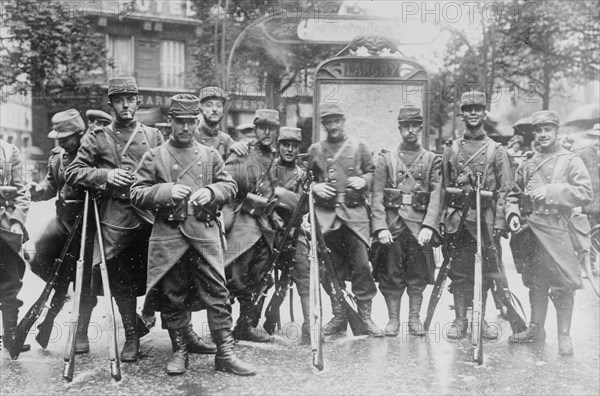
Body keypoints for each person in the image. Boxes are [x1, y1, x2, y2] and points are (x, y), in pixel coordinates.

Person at [130, 94, 256, 376]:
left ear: (196, 121)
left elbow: (229, 187)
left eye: (190, 122)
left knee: (218, 293)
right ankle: (180, 350)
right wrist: (165, 191)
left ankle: (225, 352)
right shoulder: (155, 155)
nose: (186, 128)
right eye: (180, 122)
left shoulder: (210, 155)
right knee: (172, 296)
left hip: (204, 233)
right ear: (170, 122)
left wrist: (211, 192)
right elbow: (136, 193)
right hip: (170, 235)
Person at [66, 77, 163, 362]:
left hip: (148, 215)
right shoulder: (97, 137)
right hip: (114, 220)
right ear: (111, 104)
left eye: (130, 99)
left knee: (166, 271)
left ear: (138, 102)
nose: (125, 105)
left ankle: (177, 338)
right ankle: (131, 338)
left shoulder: (154, 136)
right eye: (119, 100)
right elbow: (74, 172)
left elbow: (166, 170)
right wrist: (105, 176)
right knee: (121, 279)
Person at [506, 110, 592, 356]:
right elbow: (514, 193)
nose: (543, 134)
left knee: (563, 284)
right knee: (536, 282)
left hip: (558, 231)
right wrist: (512, 214)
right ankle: (536, 329)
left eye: (548, 130)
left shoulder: (571, 160)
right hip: (532, 231)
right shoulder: (529, 163)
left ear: (557, 132)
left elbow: (585, 193)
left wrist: (552, 191)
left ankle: (564, 335)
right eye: (539, 130)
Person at [440, 90, 513, 340]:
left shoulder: (497, 150)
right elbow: (443, 187)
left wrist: (500, 223)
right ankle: (460, 320)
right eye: (468, 108)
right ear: (461, 114)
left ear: (484, 113)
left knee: (486, 271)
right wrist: (442, 220)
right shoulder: (451, 150)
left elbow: (505, 189)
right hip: (458, 220)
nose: (473, 113)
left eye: (478, 109)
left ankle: (479, 320)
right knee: (459, 272)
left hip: (486, 220)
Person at [307, 103, 383, 337]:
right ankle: (339, 316)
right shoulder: (316, 150)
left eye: (336, 121)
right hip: (327, 216)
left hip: (355, 215)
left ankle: (365, 317)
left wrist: (365, 181)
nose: (333, 126)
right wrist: (315, 187)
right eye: (328, 122)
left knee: (361, 266)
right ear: (324, 124)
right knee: (331, 269)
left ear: (343, 121)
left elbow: (374, 173)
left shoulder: (359, 146)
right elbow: (305, 180)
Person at [28, 109, 96, 354]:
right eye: (59, 138)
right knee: (39, 258)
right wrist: (38, 190)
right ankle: (61, 292)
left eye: (66, 138)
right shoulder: (57, 155)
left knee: (84, 283)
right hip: (62, 220)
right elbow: (51, 183)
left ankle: (81, 333)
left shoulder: (91, 155)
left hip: (87, 224)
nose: (62, 142)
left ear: (80, 135)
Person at [370, 104, 442, 337]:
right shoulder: (386, 159)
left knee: (418, 274)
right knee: (390, 274)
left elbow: (437, 195)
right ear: (399, 128)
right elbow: (377, 195)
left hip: (419, 226)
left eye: (414, 126)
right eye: (406, 126)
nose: (410, 130)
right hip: (393, 225)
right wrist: (380, 226)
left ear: (420, 128)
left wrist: (429, 226)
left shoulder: (432, 160)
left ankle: (414, 318)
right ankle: (393, 319)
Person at [222, 109, 280, 343]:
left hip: (265, 226)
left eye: (272, 128)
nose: (267, 133)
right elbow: (225, 186)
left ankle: (245, 325)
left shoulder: (276, 157)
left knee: (259, 277)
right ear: (255, 129)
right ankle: (222, 331)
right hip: (243, 224)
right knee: (233, 277)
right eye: (262, 127)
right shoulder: (242, 153)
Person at [272, 126, 312, 344]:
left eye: (294, 146)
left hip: (294, 230)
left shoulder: (303, 174)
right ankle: (248, 321)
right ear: (278, 145)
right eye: (285, 144)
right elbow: (261, 196)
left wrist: (277, 194)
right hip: (268, 229)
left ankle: (309, 324)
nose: (289, 149)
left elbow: (302, 206)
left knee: (304, 268)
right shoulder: (269, 168)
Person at [0, 138, 30, 354]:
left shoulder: (9, 152)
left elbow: (21, 191)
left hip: (4, 227)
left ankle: (10, 337)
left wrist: (17, 221)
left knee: (10, 282)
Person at [194, 86, 247, 160]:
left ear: (223, 109)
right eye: (209, 105)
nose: (215, 109)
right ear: (200, 108)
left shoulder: (226, 140)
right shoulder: (192, 136)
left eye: (219, 106)